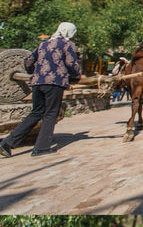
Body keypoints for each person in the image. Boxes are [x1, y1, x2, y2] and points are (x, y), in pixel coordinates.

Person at [0, 22, 82, 158]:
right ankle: (41, 147)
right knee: (50, 114)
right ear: (70, 32)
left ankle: (7, 143)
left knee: (36, 113)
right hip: (54, 83)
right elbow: (71, 64)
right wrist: (76, 75)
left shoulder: (43, 44)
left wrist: (35, 73)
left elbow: (27, 61)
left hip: (37, 83)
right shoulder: (67, 44)